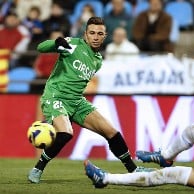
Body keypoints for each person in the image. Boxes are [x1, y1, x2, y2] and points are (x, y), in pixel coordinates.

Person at [27, 16, 151, 184]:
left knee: (111, 132)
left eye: (99, 33)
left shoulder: (98, 60)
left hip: (77, 102)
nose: (95, 36)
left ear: (104, 36)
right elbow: (41, 47)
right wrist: (57, 43)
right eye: (92, 33)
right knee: (66, 133)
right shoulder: (73, 45)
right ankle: (38, 168)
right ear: (85, 34)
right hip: (56, 96)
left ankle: (134, 170)